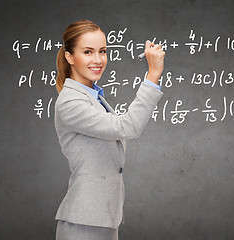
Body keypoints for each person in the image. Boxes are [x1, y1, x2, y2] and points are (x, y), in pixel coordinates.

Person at [54, 20, 165, 240]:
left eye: (102, 51)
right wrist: (153, 75)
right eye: (88, 52)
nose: (98, 60)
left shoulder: (94, 97)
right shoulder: (70, 102)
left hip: (103, 218)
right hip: (84, 223)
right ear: (69, 57)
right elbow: (128, 126)